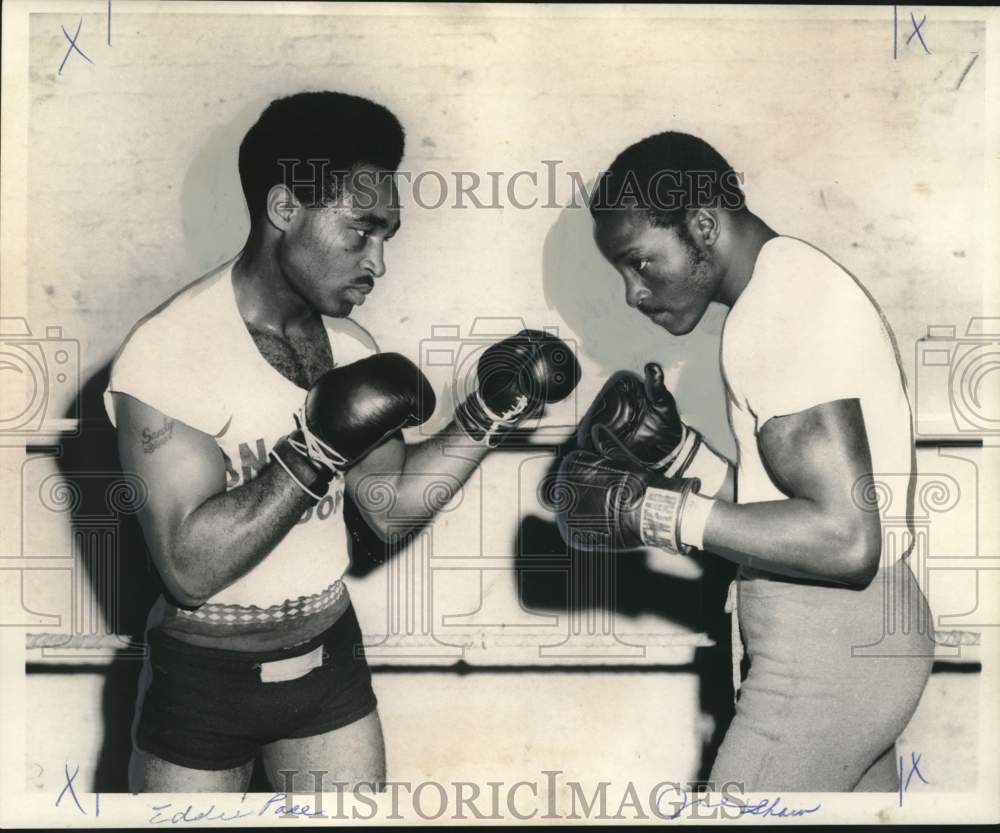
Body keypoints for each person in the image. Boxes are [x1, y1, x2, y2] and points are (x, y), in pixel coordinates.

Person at [105, 91, 579, 793]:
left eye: (388, 233)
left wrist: (486, 415)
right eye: (361, 230)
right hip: (202, 682)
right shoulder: (168, 351)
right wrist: (312, 452)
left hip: (329, 664)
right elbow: (189, 568)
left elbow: (387, 507)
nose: (379, 262)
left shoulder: (352, 348)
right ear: (284, 209)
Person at [553, 131, 934, 791]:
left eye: (640, 262)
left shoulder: (776, 311)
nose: (633, 293)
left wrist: (651, 509)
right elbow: (800, 501)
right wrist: (681, 454)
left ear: (702, 224)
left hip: (824, 657)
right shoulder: (794, 282)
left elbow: (844, 538)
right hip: (864, 644)